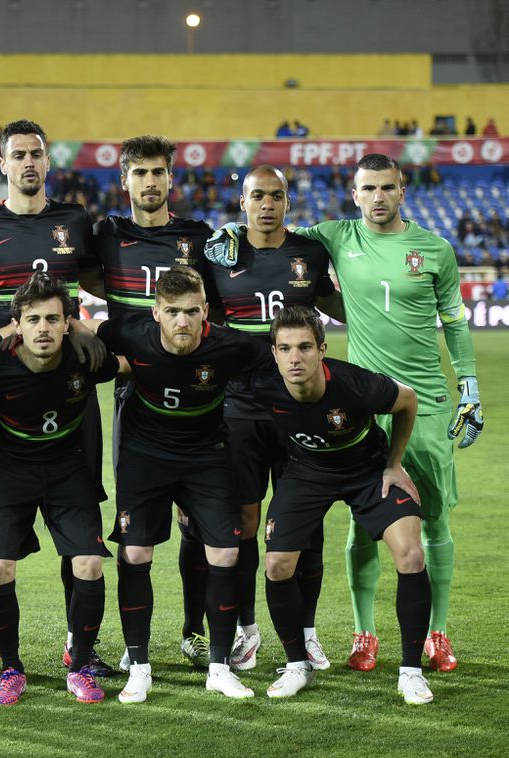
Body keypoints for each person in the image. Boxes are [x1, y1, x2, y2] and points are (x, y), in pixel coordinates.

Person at [206, 153, 482, 672]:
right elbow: (265, 232)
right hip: (322, 403)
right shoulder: (331, 236)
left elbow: (456, 324)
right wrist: (227, 229)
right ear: (354, 194)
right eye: (368, 188)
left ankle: (435, 633)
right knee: (346, 518)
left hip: (415, 398)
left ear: (402, 191)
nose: (378, 196)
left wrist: (468, 383)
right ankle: (358, 635)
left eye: (387, 187)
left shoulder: (431, 249)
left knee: (431, 517)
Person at [0, 118, 111, 680]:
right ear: (2, 163)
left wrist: (82, 324)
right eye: (17, 154)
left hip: (70, 388)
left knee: (82, 520)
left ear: (48, 162)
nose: (27, 163)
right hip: (6, 387)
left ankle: (81, 645)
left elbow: (94, 282)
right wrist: (4, 326)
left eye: (36, 154)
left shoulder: (74, 221)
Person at [88, 267, 268, 702]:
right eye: (172, 312)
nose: (182, 322)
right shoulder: (130, 334)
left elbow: (281, 360)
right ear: (156, 313)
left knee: (226, 551)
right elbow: (86, 329)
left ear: (206, 311)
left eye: (191, 312)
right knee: (134, 551)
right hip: (145, 456)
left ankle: (221, 667)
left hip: (206, 454)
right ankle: (139, 666)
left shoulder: (230, 345)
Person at [91, 134, 230, 671]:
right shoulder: (106, 237)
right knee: (136, 535)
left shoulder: (197, 237)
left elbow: (226, 295)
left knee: (202, 526)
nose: (149, 182)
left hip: (198, 394)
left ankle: (195, 632)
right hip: (135, 394)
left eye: (158, 172)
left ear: (171, 179)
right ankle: (135, 647)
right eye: (139, 173)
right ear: (124, 180)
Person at [252, 307, 433, 703]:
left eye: (304, 347)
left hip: (367, 470)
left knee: (411, 555)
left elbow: (408, 400)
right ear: (274, 352)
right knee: (277, 565)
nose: (294, 358)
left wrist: (394, 463)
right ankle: (298, 665)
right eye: (284, 348)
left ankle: (411, 672)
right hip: (305, 471)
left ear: (322, 349)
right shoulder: (262, 382)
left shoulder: (356, 386)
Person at [205, 165, 344, 674]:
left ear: (289, 203)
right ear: (242, 202)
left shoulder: (309, 254)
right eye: (257, 195)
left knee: (304, 523)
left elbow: (342, 306)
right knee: (242, 523)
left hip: (300, 409)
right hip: (239, 408)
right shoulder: (220, 253)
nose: (267, 204)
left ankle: (306, 634)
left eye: (277, 196)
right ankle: (247, 630)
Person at [0, 272, 119, 705]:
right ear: (18, 324)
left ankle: (82, 664)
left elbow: (138, 361)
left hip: (67, 468)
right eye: (33, 319)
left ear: (68, 322)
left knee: (89, 563)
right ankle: (12, 667)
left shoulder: (87, 357)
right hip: (9, 471)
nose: (44, 328)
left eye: (53, 318)